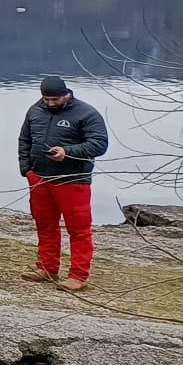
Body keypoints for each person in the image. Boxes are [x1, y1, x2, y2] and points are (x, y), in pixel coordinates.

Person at [19, 74, 110, 292]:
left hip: (72, 180)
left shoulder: (86, 113)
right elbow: (25, 140)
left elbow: (99, 144)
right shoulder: (35, 110)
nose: (50, 103)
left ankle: (78, 276)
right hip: (39, 177)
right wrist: (26, 169)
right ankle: (47, 267)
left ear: (66, 94)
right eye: (46, 100)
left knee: (78, 230)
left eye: (55, 100)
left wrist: (67, 152)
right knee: (45, 224)